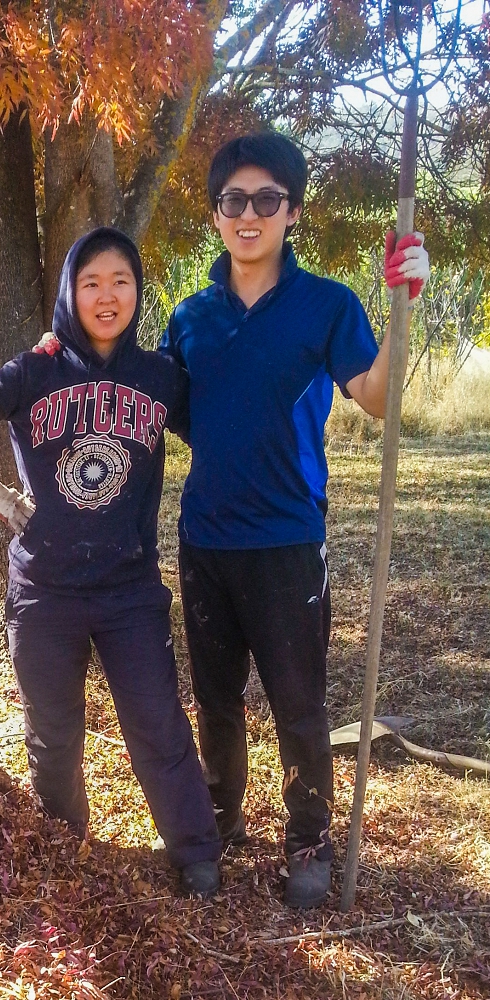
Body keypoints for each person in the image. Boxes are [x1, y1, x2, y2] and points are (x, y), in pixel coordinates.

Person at [160, 132, 430, 908]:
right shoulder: (190, 318)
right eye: (235, 200)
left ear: (293, 212)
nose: (250, 214)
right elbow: (168, 407)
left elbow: (377, 397)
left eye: (267, 199)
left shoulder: (328, 304)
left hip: (286, 540)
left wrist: (401, 303)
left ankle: (308, 832)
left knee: (298, 702)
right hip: (206, 537)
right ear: (216, 215)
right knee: (214, 696)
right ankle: (218, 818)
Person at [0, 227, 223, 897]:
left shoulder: (158, 376)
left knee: (155, 717)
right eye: (90, 282)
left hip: (128, 586)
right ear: (70, 291)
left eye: (121, 280)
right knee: (53, 729)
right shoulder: (37, 369)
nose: (106, 295)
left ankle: (195, 848)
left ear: (138, 291)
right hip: (46, 589)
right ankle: (65, 843)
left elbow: (218, 425)